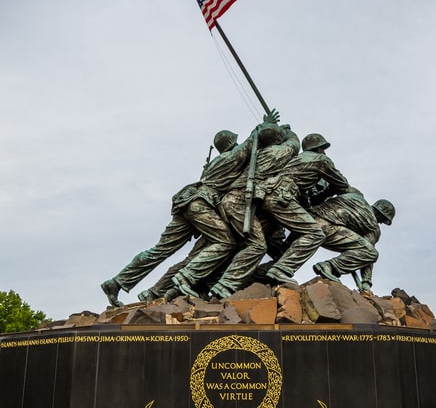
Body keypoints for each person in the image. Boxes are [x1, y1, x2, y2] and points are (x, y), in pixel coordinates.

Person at [100, 113, 276, 307]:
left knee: (160, 250)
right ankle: (185, 277)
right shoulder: (230, 157)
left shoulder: (216, 162)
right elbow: (252, 142)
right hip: (200, 205)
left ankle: (117, 282)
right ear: (232, 143)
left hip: (187, 203)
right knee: (226, 241)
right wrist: (265, 125)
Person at [206, 122, 301, 299]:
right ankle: (224, 285)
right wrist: (288, 132)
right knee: (257, 246)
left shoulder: (253, 156)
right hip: (240, 202)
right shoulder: (277, 153)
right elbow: (294, 144)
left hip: (234, 202)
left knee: (257, 245)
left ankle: (228, 281)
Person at [254, 132, 351, 285]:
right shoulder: (321, 160)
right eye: (323, 148)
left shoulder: (296, 160)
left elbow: (306, 198)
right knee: (315, 234)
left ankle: (253, 276)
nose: (324, 152)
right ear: (318, 148)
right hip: (281, 197)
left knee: (264, 243)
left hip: (266, 195)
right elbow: (342, 184)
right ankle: (281, 269)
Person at [310, 192, 395, 292]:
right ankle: (329, 266)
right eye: (383, 220)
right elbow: (367, 253)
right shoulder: (373, 226)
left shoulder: (357, 200)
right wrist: (366, 283)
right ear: (380, 214)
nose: (381, 223)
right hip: (328, 229)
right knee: (371, 253)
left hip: (310, 219)